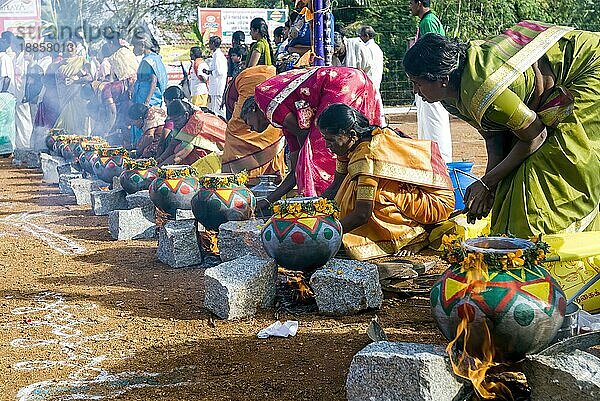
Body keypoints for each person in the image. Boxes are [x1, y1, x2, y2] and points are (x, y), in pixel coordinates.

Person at [403, 21, 600, 237]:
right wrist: (488, 188)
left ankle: (561, 251)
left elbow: (536, 136)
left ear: (442, 79)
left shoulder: (485, 89)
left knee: (548, 165)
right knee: (508, 182)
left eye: (417, 83)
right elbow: (495, 138)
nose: (415, 90)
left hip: (588, 66)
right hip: (540, 104)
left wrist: (487, 183)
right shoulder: (450, 97)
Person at [318, 103, 454, 260]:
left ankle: (411, 236)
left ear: (351, 134)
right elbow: (336, 185)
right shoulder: (351, 144)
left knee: (374, 196)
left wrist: (327, 233)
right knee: (351, 185)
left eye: (330, 140)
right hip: (413, 194)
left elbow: (363, 213)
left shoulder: (368, 155)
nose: (327, 145)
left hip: (435, 201)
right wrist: (313, 211)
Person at [241, 66, 384, 210]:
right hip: (356, 78)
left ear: (252, 109)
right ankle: (347, 199)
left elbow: (305, 147)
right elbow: (296, 170)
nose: (251, 129)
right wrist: (267, 201)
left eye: (247, 121)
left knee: (321, 153)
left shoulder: (263, 97)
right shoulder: (285, 122)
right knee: (352, 144)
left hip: (340, 81)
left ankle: (324, 209)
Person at [222, 65, 285, 183]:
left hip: (254, 84)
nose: (251, 129)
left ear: (252, 109)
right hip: (247, 84)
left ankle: (246, 180)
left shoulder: (280, 117)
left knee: (270, 131)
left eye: (249, 124)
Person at [408, 0, 452, 163]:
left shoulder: (429, 21)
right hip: (426, 81)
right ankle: (431, 157)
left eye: (411, 3)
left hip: (431, 81)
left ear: (419, 3)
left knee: (434, 120)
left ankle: (441, 160)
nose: (410, 6)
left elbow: (433, 52)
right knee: (427, 120)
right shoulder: (426, 21)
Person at [160, 99, 226, 166]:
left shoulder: (195, 122)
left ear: (186, 115)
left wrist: (156, 169)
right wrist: (160, 159)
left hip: (224, 151)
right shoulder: (182, 121)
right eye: (172, 121)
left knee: (193, 153)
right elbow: (173, 143)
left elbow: (178, 157)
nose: (174, 124)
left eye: (176, 120)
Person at [131, 33, 168, 145]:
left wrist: (146, 101)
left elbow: (153, 80)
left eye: (135, 46)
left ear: (142, 45)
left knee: (144, 124)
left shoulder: (149, 61)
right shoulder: (152, 58)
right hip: (147, 96)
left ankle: (141, 149)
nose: (133, 49)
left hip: (147, 98)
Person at [204, 36, 227, 119]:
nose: (209, 45)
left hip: (217, 87)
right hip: (215, 87)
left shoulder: (218, 56)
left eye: (210, 43)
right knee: (214, 109)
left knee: (219, 110)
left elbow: (219, 71)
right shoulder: (215, 55)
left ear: (213, 44)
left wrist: (208, 72)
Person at [0, 37, 15, 156]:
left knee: (4, 124)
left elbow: (6, 78)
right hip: (4, 96)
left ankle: (6, 150)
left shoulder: (4, 58)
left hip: (3, 96)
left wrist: (2, 93)